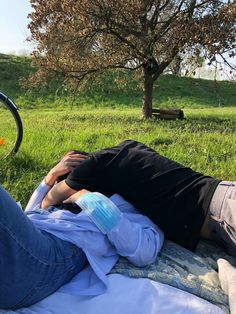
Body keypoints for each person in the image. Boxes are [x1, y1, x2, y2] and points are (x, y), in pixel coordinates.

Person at [0, 151, 164, 310]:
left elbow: (144, 252)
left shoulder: (122, 205)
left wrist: (87, 199)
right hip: (32, 249)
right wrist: (50, 178)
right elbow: (28, 218)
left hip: (50, 259)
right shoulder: (55, 202)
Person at [40, 139, 236, 256]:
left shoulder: (92, 164)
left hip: (222, 210)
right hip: (223, 206)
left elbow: (45, 204)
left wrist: (51, 175)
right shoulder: (127, 151)